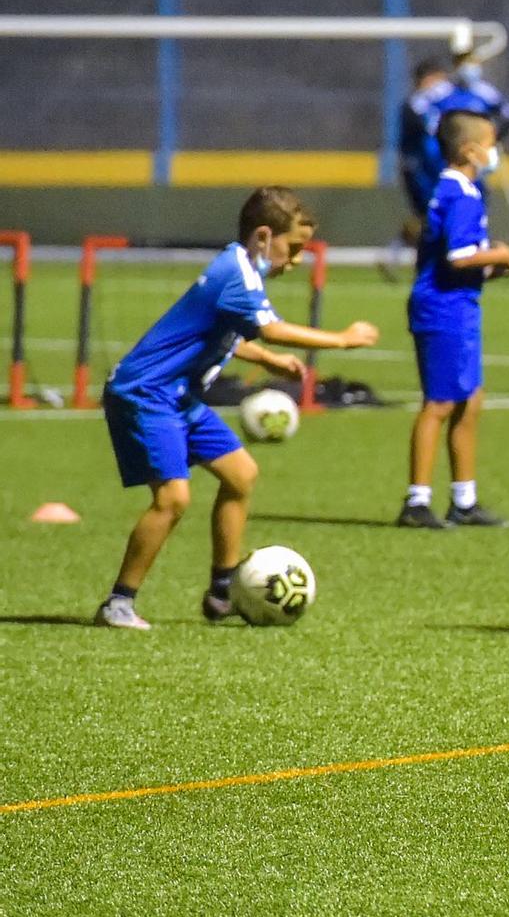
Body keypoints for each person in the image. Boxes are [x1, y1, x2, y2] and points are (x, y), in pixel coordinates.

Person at [94, 188, 381, 629]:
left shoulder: (240, 267)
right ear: (264, 237)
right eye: (295, 248)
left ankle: (223, 590)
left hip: (178, 395)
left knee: (240, 474)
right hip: (146, 393)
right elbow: (271, 328)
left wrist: (265, 361)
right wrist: (343, 339)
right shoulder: (238, 272)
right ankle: (119, 602)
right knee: (172, 499)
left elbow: (223, 332)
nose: (298, 260)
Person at [399, 110, 509, 530]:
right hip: (443, 309)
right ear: (469, 150)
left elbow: (459, 260)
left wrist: (490, 269)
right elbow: (458, 256)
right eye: (489, 143)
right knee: (440, 403)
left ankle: (463, 499)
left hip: (459, 305)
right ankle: (417, 500)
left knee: (470, 399)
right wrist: (500, 255)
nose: (494, 152)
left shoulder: (461, 189)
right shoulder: (460, 193)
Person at [394, 57, 455, 267]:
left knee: (429, 216)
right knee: (429, 215)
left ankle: (396, 252)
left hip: (434, 169)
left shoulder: (434, 105)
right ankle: (414, 256)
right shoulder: (416, 105)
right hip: (421, 173)